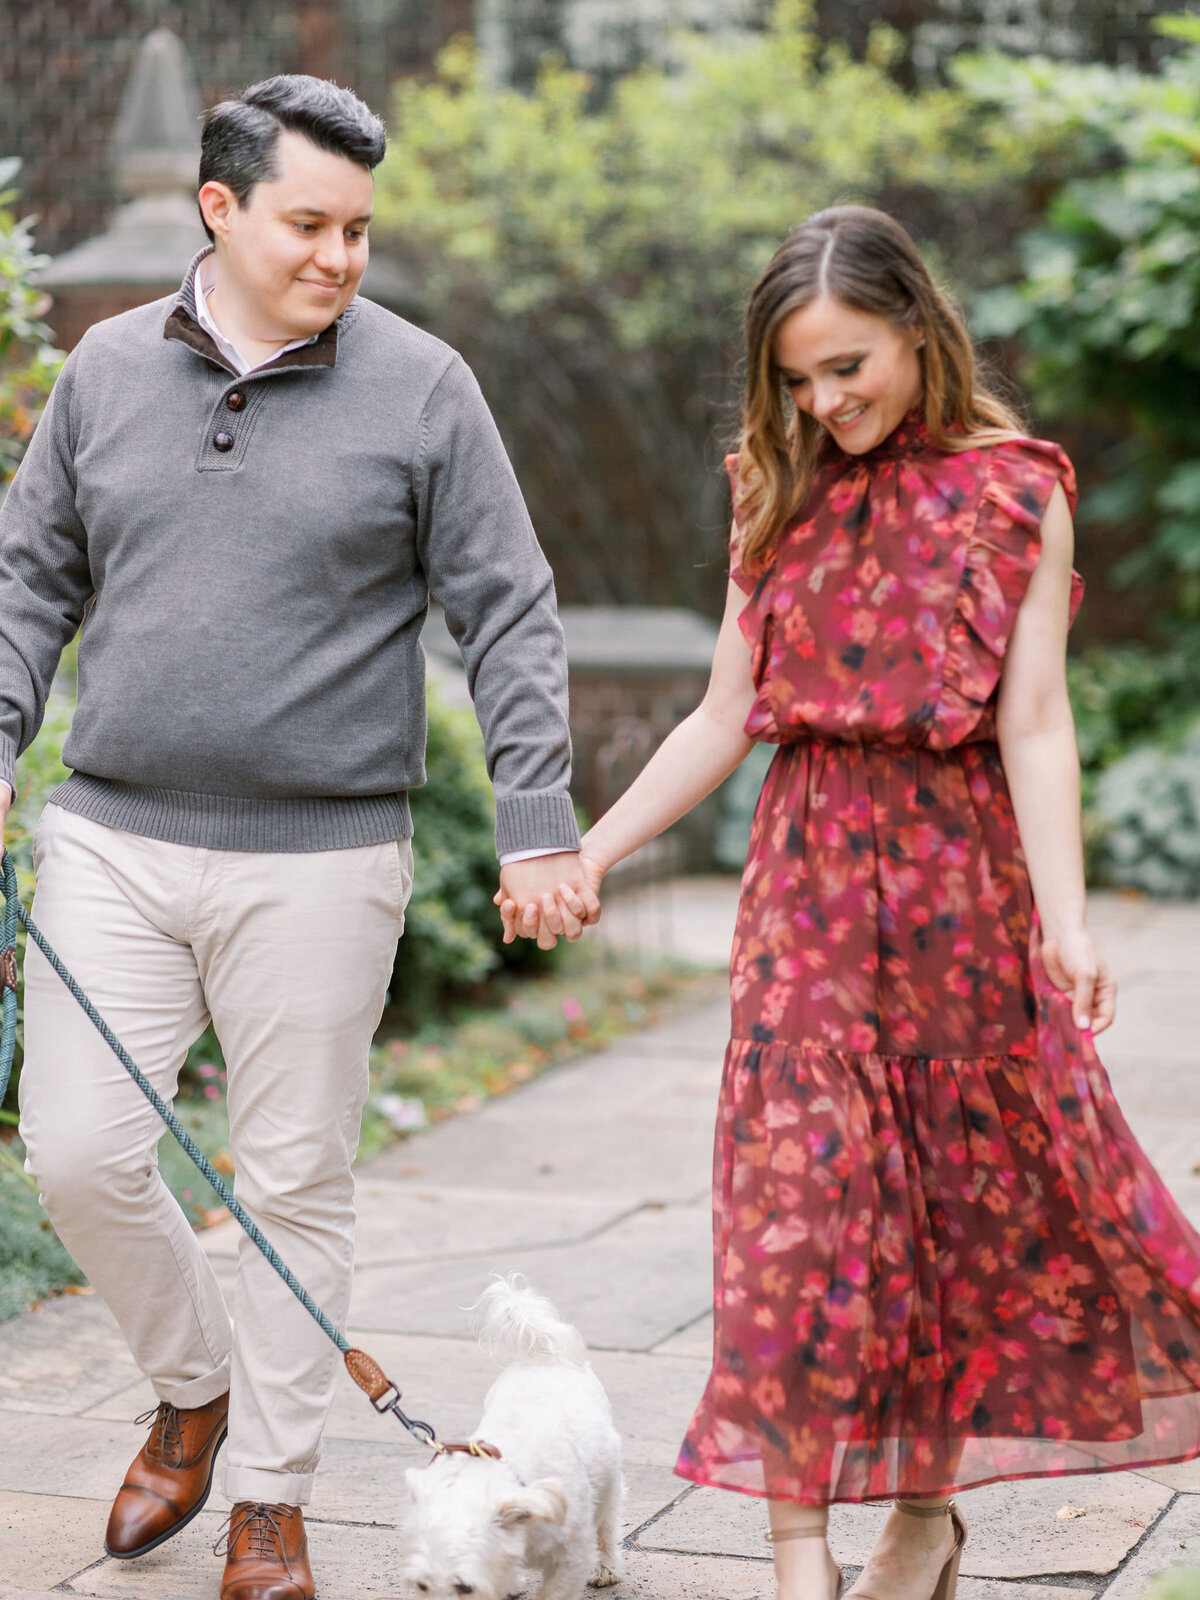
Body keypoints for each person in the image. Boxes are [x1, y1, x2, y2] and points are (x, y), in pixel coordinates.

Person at [509, 204, 1200, 1600]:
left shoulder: (1017, 491)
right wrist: (593, 849)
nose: (825, 402)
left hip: (961, 895)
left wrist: (1067, 921)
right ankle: (797, 1563)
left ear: (918, 332)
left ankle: (923, 1523)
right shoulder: (773, 486)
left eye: (848, 366)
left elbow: (1037, 722)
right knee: (799, 1214)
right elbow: (724, 713)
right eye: (799, 378)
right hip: (808, 897)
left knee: (948, 1214)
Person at [1, 75, 597, 1600]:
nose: (341, 255)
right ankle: (194, 1386)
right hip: (113, 836)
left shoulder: (423, 388)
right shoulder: (105, 371)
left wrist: (536, 820)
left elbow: (511, 609)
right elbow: (26, 585)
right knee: (78, 1152)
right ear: (220, 208)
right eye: (309, 224)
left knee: (292, 1186)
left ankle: (270, 1500)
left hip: (326, 855)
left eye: (360, 230)